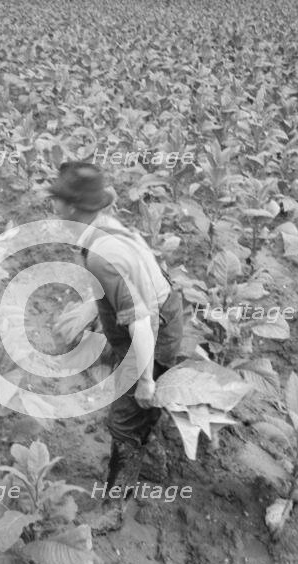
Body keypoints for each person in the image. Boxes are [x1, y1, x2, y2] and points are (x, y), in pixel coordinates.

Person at [49, 161, 184, 533]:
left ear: (74, 208)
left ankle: (114, 506)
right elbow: (135, 276)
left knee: (124, 417)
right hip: (157, 314)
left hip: (153, 330)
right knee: (130, 406)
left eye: (58, 200)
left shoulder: (99, 253)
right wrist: (94, 305)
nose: (53, 206)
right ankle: (151, 456)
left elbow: (141, 321)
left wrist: (145, 380)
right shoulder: (105, 229)